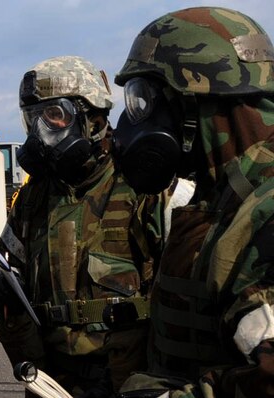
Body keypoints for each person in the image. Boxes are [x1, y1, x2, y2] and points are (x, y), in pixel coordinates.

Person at [110, 7, 274, 398]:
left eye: (142, 101)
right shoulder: (225, 197)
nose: (132, 123)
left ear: (192, 103)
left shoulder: (264, 215)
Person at [0, 56, 168, 397]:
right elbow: (2, 261)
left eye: (54, 116)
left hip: (128, 380)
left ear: (93, 117)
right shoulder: (33, 198)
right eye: (33, 119)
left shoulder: (142, 186)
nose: (42, 131)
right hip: (50, 382)